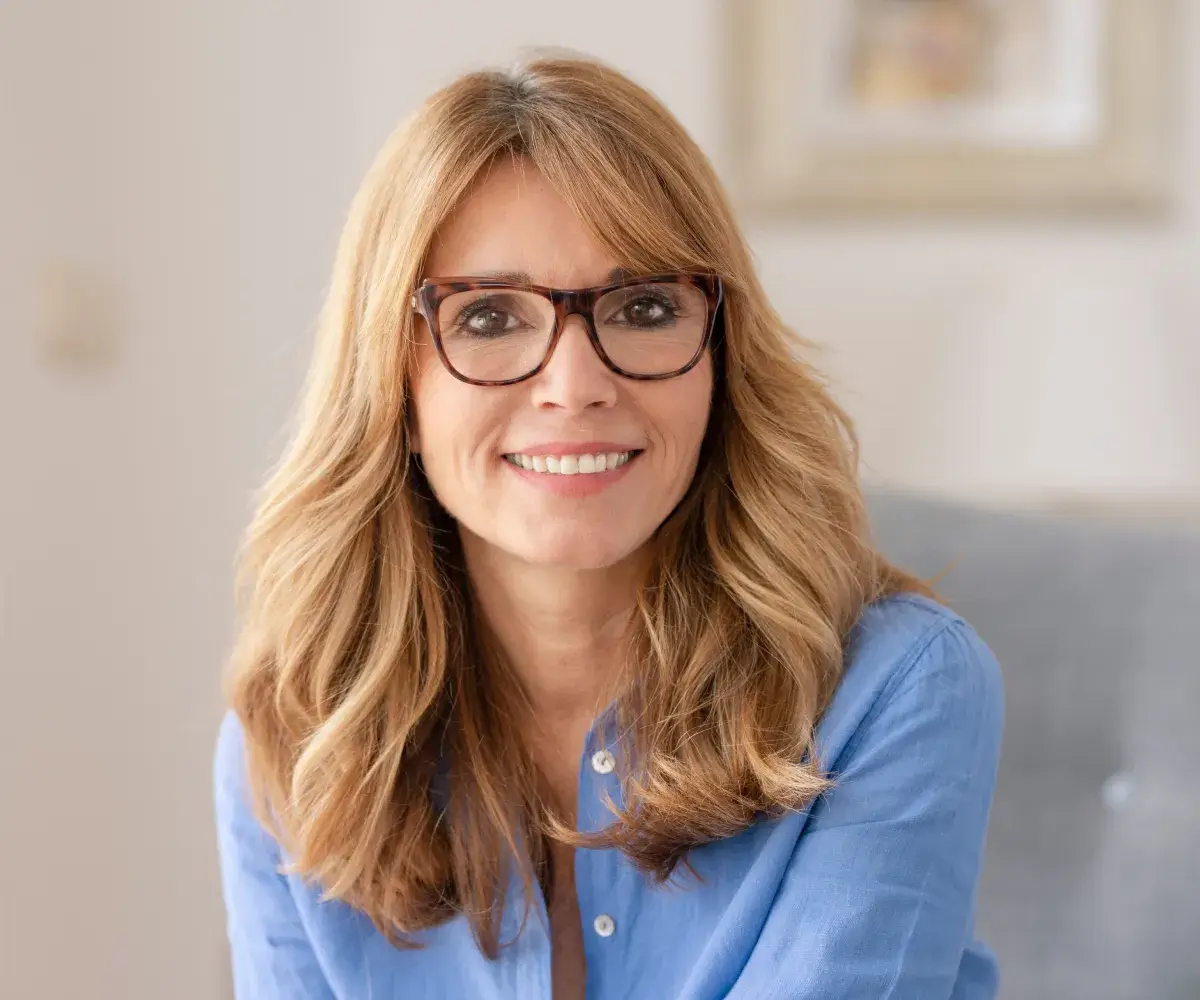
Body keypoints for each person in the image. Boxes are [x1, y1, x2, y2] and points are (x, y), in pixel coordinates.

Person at [213, 51, 1004, 1000]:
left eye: (643, 307)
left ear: (719, 357)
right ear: (393, 386)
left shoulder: (897, 690)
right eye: (489, 317)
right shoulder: (302, 739)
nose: (577, 385)